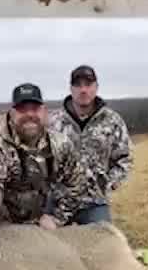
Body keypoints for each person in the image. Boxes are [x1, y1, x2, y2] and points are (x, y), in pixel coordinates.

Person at [0, 83, 89, 228]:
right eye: (22, 109)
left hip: (39, 222)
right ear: (11, 113)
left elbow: (76, 184)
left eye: (34, 109)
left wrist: (57, 217)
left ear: (44, 112)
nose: (29, 115)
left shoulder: (61, 144)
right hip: (1, 224)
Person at [48, 65, 133, 226]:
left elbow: (125, 158)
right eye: (78, 85)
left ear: (96, 87)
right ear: (71, 89)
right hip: (59, 203)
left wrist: (107, 184)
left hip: (94, 203)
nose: (83, 90)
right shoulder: (54, 123)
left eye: (88, 84)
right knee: (51, 248)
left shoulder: (113, 121)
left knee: (103, 245)